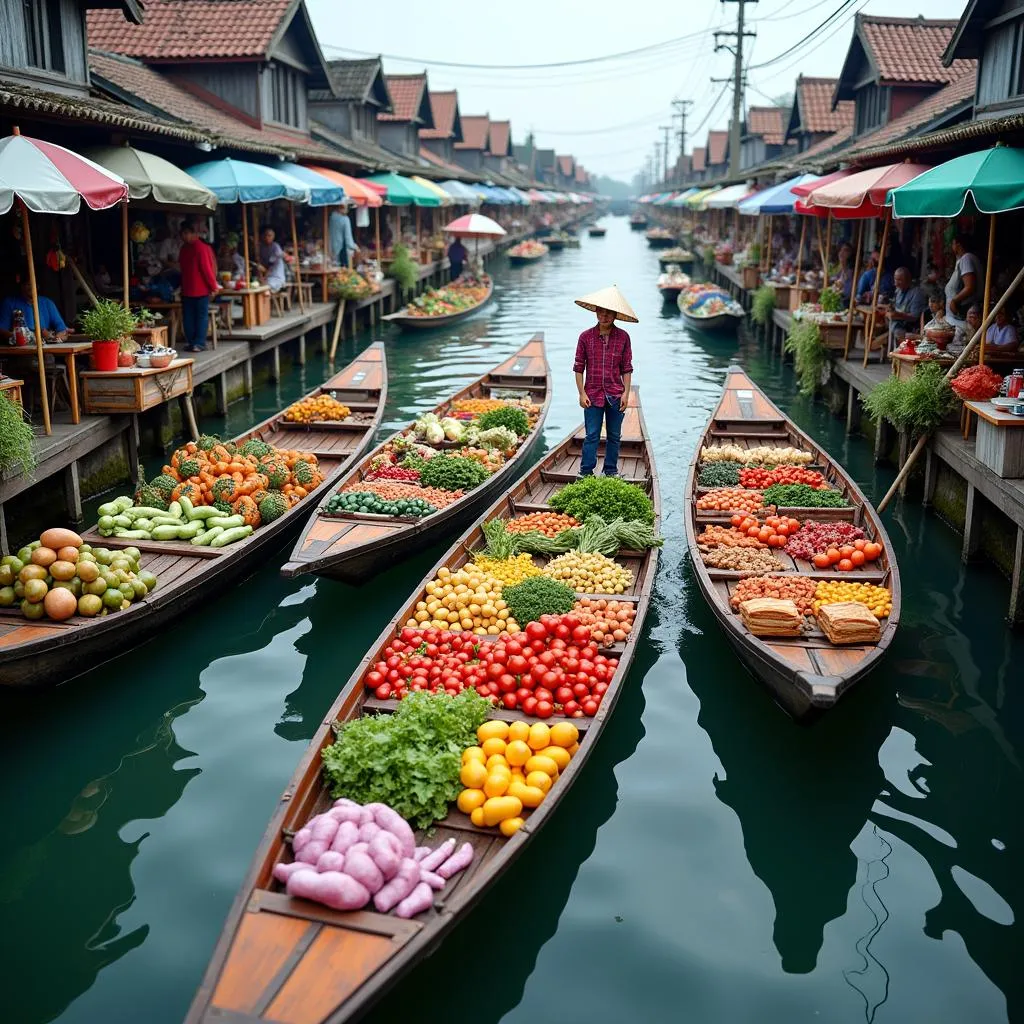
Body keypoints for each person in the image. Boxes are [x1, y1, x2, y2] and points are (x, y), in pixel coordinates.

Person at [573, 285, 635, 479]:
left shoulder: (624, 337)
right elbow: (578, 367)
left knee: (614, 437)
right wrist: (582, 393)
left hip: (616, 394)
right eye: (601, 311)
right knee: (591, 435)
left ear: (615, 315)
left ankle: (610, 471)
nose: (604, 316)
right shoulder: (585, 337)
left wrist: (626, 393)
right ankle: (586, 472)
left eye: (609, 313)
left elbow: (627, 368)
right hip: (592, 394)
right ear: (596, 312)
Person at [178, 221, 219, 352]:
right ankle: (198, 343)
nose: (184, 237)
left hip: (189, 288)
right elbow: (207, 270)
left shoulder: (186, 249)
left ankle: (193, 342)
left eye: (186, 233)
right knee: (199, 316)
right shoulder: (201, 248)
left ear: (194, 233)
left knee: (190, 316)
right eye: (183, 234)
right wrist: (214, 287)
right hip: (199, 289)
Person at [0, 276, 68, 343]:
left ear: (38, 286)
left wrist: (53, 338)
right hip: (18, 348)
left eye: (34, 284)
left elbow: (62, 329)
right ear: (22, 286)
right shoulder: (10, 302)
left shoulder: (47, 302)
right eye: (28, 284)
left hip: (45, 347)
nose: (31, 287)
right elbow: (2, 330)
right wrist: (23, 337)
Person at [885, 267, 928, 351]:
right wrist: (890, 309)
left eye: (899, 280)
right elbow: (895, 306)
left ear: (908, 280)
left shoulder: (917, 293)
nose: (896, 283)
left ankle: (900, 355)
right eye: (895, 279)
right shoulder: (898, 290)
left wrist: (897, 315)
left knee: (898, 332)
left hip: (911, 327)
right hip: (896, 324)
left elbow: (914, 317)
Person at [945, 232, 984, 327]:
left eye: (953, 243)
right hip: (960, 315)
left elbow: (969, 287)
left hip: (964, 312)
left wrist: (954, 301)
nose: (951, 246)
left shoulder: (966, 258)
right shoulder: (966, 258)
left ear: (958, 245)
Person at [258, 227, 286, 293]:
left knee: (265, 288)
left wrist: (264, 272)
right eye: (265, 235)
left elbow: (270, 264)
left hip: (276, 277)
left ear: (273, 237)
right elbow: (262, 262)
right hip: (267, 276)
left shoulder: (276, 247)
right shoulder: (261, 247)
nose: (267, 237)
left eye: (269, 236)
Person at [328, 203, 356, 269]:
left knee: (334, 267)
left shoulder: (332, 217)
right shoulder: (345, 219)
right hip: (343, 248)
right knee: (344, 270)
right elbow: (348, 236)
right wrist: (353, 246)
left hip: (332, 246)